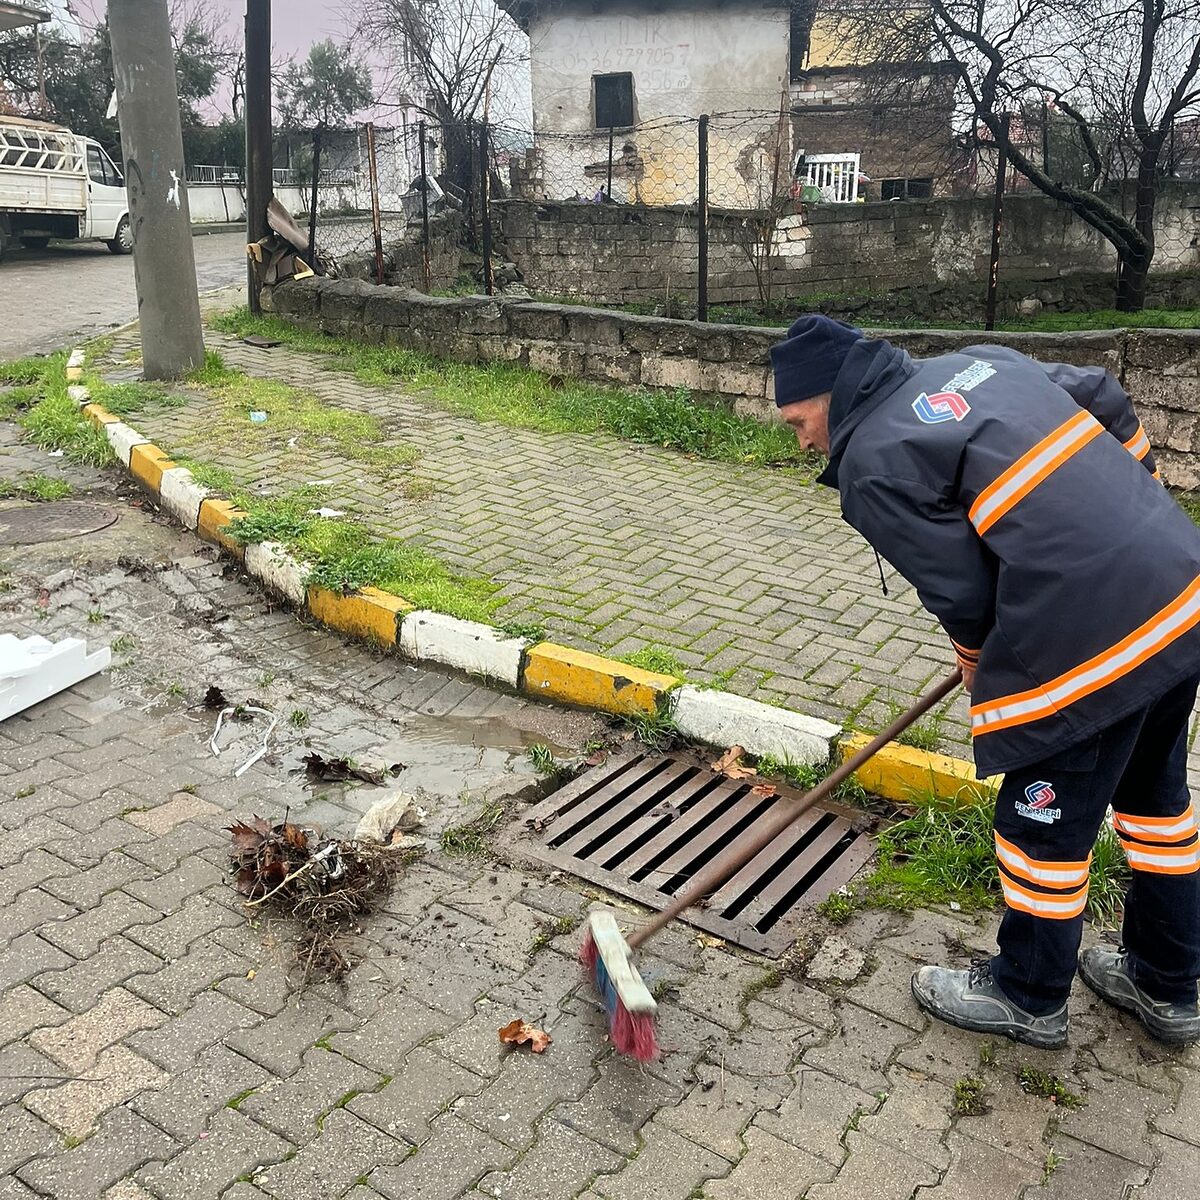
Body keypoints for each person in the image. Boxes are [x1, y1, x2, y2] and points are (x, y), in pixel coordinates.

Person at [771, 314, 1200, 1048]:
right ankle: (1169, 984)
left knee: (1041, 826)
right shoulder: (979, 362)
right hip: (1179, 596)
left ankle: (1027, 995)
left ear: (831, 396)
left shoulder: (873, 459)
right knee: (1154, 800)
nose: (804, 441)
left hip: (1089, 643)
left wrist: (977, 664)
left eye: (799, 420)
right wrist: (1142, 495)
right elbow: (1102, 392)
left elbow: (964, 595)